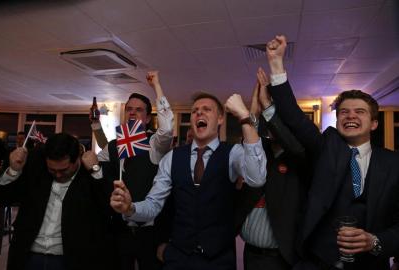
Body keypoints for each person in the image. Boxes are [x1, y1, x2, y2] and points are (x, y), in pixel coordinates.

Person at [265, 35, 399, 270]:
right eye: (344, 112)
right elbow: (295, 119)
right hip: (318, 262)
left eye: (360, 112)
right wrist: (276, 64)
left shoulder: (394, 163)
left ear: (375, 123)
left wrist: (375, 241)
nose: (351, 116)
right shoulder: (326, 147)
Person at [111, 92, 267, 270]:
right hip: (178, 258)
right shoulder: (171, 158)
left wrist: (244, 118)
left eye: (207, 109)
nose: (199, 113)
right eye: (194, 111)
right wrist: (130, 208)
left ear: (221, 119)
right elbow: (153, 205)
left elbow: (257, 178)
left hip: (219, 259)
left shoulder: (233, 153)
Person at [0, 133, 114, 270]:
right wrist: (13, 171)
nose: (58, 174)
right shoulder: (35, 167)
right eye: (52, 169)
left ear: (77, 160)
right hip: (28, 256)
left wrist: (96, 170)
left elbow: (109, 208)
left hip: (70, 259)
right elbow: (1, 198)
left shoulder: (89, 173)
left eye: (64, 170)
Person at [97, 70, 174, 270]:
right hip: (120, 230)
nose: (132, 112)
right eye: (129, 109)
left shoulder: (154, 143)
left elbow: (166, 130)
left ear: (148, 118)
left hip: (150, 232)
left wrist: (156, 85)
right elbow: (97, 165)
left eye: (138, 110)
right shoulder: (114, 145)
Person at [235, 67, 307, 270]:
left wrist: (268, 105)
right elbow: (250, 138)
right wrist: (254, 110)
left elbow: (294, 146)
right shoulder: (261, 150)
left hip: (280, 257)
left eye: (279, 120)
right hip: (249, 253)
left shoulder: (298, 155)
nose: (273, 125)